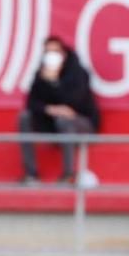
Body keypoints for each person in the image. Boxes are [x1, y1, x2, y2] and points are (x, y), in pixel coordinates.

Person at [18, 35, 100, 185]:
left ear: (63, 53)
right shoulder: (41, 76)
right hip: (51, 124)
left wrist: (55, 84)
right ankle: (31, 175)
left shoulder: (78, 73)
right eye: (48, 52)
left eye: (55, 52)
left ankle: (68, 174)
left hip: (81, 124)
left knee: (64, 121)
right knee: (25, 117)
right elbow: (31, 103)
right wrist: (51, 107)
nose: (51, 56)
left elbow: (75, 103)